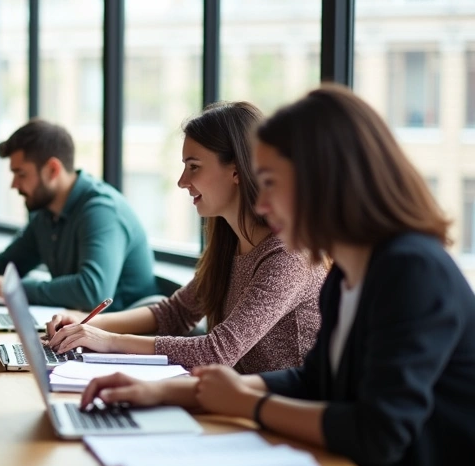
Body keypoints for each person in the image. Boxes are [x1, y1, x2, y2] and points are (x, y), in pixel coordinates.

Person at [82, 85, 475, 466]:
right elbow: (312, 382)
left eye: (271, 184)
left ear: (322, 180)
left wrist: (248, 402)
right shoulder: (345, 274)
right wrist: (163, 394)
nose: (262, 203)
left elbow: (380, 431)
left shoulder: (412, 270)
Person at [46, 102, 325, 373]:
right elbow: (175, 313)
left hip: (276, 412)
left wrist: (108, 341)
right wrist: (86, 325)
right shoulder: (228, 245)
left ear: (237, 170)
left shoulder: (288, 256)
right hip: (234, 402)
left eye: (194, 166)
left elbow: (216, 353)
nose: (182, 181)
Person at [0, 119, 156, 312]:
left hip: (119, 343)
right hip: (76, 332)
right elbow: (4, 264)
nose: (14, 184)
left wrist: (15, 290)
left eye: (21, 174)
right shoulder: (46, 213)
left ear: (52, 170)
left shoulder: (101, 211)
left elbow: (92, 292)